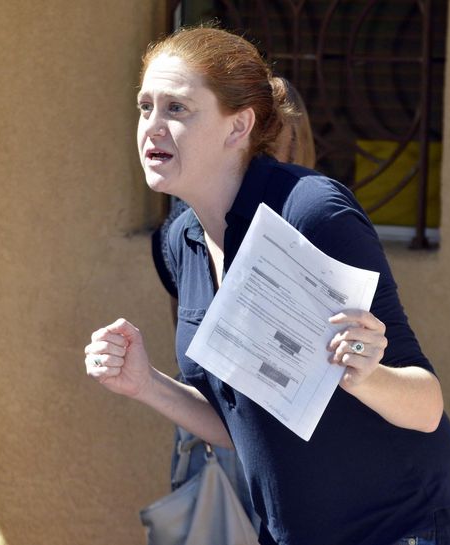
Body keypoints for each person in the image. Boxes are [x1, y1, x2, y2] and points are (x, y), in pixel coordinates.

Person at [85, 26, 450, 545]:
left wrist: (364, 375)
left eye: (177, 108)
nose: (152, 127)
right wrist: (146, 383)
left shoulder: (312, 214)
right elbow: (240, 421)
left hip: (402, 529)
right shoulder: (181, 241)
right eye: (145, 107)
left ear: (238, 126)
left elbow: (426, 407)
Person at [151, 75, 317, 532]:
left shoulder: (313, 218)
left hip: (273, 445)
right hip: (226, 438)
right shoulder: (185, 230)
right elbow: (195, 353)